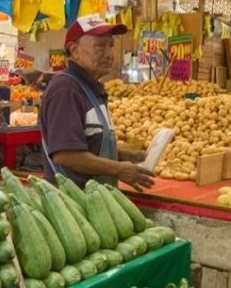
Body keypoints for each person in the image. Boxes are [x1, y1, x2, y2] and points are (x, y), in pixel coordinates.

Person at [40, 14, 154, 192]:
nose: (109, 54)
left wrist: (125, 156)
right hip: (71, 203)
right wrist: (118, 169)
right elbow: (66, 154)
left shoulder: (91, 88)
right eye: (99, 46)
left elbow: (89, 145)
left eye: (110, 45)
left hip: (92, 199)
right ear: (74, 50)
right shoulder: (66, 89)